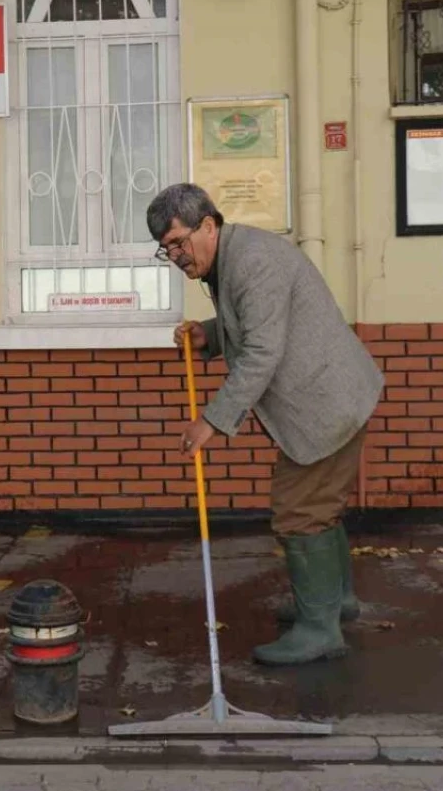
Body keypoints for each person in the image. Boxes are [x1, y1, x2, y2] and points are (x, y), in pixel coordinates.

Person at [147, 183, 384, 666]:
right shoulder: (234, 257)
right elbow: (256, 325)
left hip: (325, 403)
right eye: (165, 248)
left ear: (208, 225)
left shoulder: (252, 262)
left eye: (178, 243)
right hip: (328, 398)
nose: (174, 255)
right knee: (319, 505)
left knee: (300, 511)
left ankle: (320, 630)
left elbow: (262, 351)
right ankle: (334, 603)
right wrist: (207, 336)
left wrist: (211, 421)